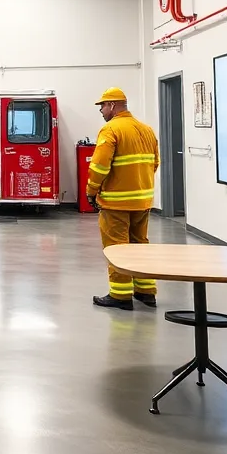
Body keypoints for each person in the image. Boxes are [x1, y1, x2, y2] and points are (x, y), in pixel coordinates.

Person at [86, 88, 160, 311]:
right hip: (143, 201)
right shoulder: (146, 130)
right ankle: (146, 292)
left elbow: (99, 167)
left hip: (116, 202)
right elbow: (155, 163)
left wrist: (92, 191)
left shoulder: (110, 130)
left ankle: (120, 295)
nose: (101, 110)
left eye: (103, 106)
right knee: (140, 245)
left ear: (113, 105)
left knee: (117, 247)